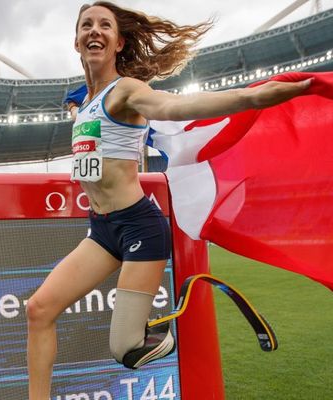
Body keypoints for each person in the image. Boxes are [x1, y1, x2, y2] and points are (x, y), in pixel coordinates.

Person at [26, 2, 312, 399]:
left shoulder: (126, 91)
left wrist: (251, 99)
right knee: (38, 310)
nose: (95, 30)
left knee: (124, 350)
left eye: (105, 25)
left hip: (139, 227)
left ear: (118, 42)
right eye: (86, 25)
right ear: (76, 41)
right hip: (102, 230)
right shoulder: (84, 105)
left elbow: (175, 107)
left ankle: (158, 335)